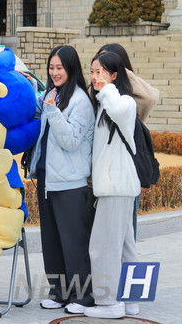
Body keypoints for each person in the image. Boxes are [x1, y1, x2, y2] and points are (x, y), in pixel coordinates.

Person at [28, 45, 95, 314]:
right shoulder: (50, 94)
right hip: (47, 179)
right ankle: (58, 293)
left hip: (71, 183)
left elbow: (70, 141)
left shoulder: (80, 101)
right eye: (51, 67)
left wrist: (53, 111)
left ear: (71, 69)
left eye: (60, 68)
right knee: (52, 241)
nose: (54, 72)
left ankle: (82, 297)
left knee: (73, 242)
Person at [84, 51, 140, 319]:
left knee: (102, 246)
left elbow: (118, 109)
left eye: (101, 72)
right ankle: (132, 301)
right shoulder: (103, 105)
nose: (95, 77)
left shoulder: (125, 102)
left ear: (115, 75)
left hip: (115, 185)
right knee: (126, 246)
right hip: (119, 185)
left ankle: (109, 304)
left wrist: (107, 89)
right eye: (93, 71)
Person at [97, 43, 159, 239]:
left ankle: (126, 269)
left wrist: (122, 72)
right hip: (100, 173)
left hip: (126, 169)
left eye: (108, 64)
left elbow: (151, 98)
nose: (102, 69)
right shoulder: (98, 91)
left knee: (126, 233)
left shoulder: (130, 97)